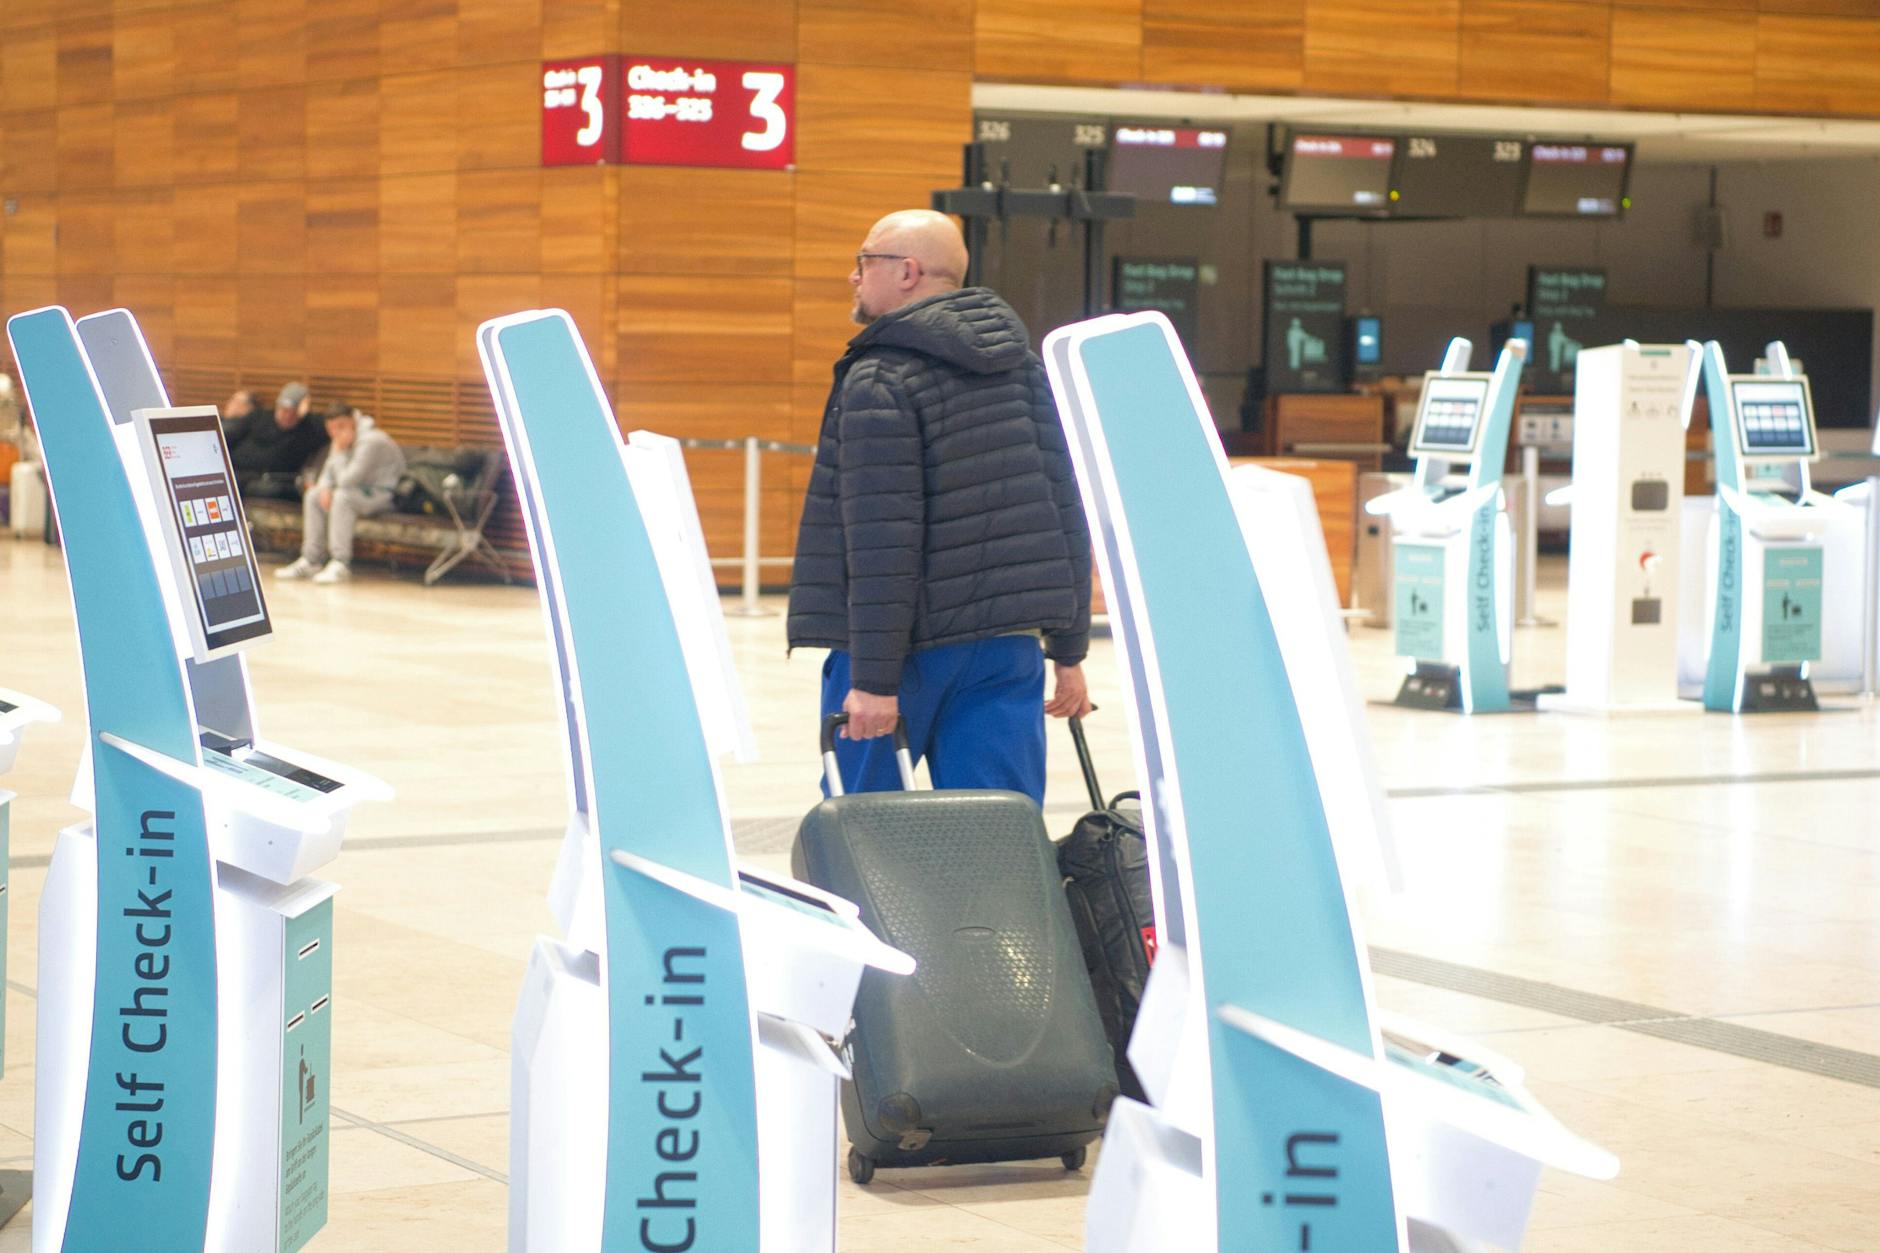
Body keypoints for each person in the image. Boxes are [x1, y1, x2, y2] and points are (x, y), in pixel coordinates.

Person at [787, 209, 1093, 805]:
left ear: (907, 272)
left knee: (869, 830)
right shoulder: (1022, 369)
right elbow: (1063, 507)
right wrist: (1068, 651)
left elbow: (879, 539)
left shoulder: (880, 378)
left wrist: (873, 681)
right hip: (1006, 652)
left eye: (864, 261)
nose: (854, 276)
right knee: (999, 831)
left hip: (904, 654)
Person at [276, 403, 406, 585]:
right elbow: (327, 474)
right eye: (331, 429)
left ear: (353, 421)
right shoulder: (340, 439)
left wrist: (338, 452)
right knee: (313, 495)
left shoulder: (372, 441)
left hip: (384, 495)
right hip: (357, 491)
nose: (336, 433)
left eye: (341, 426)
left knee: (342, 497)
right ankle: (311, 559)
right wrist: (324, 488)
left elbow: (347, 479)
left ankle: (340, 562)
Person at [229, 382, 326, 499]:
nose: (286, 415)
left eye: (292, 412)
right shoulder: (259, 416)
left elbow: (336, 422)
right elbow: (230, 434)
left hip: (269, 479)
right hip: (237, 469)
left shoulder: (309, 429)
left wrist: (304, 413)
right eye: (283, 409)